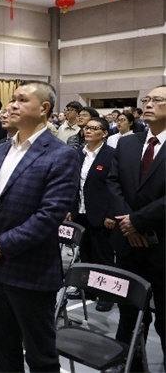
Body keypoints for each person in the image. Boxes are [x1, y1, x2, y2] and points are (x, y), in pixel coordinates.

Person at [0, 81, 80, 372]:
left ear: (44, 108)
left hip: (30, 269)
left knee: (40, 355)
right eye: (12, 99)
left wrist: (0, 245)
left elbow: (49, 215)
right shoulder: (0, 149)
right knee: (3, 345)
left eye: (21, 100)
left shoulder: (61, 154)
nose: (12, 105)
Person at [107, 86, 166, 368]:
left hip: (162, 245)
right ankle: (130, 364)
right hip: (128, 244)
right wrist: (128, 223)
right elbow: (112, 182)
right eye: (146, 100)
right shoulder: (128, 143)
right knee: (129, 314)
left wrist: (138, 221)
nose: (149, 104)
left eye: (157, 100)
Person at [69, 117, 116, 312]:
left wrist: (111, 214)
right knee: (85, 253)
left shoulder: (111, 155)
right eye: (86, 128)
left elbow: (115, 187)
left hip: (101, 213)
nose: (87, 131)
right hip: (80, 211)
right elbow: (73, 183)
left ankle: (106, 295)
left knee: (102, 255)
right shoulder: (78, 154)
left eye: (93, 128)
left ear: (104, 133)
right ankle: (87, 289)